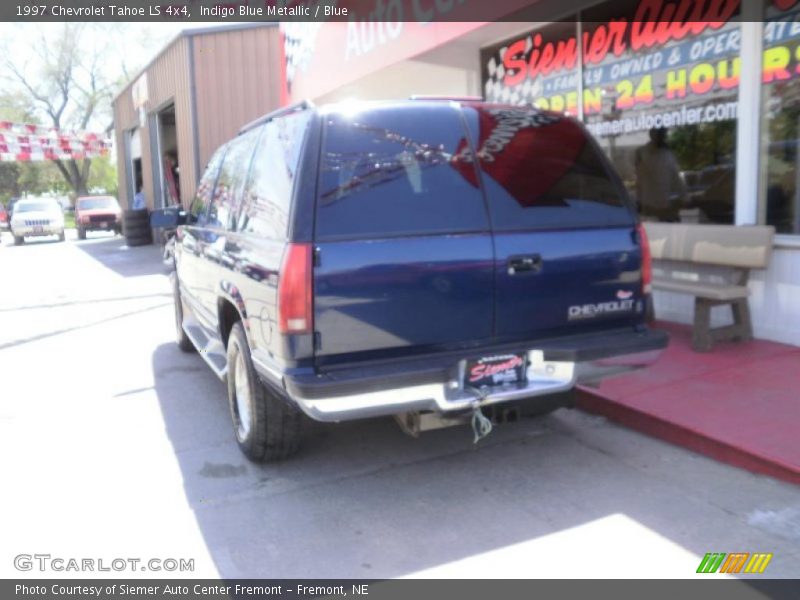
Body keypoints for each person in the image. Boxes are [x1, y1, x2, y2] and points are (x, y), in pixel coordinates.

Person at [635, 127, 688, 222]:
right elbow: (637, 180)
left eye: (663, 134)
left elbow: (676, 179)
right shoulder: (641, 154)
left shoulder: (667, 154)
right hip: (649, 209)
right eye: (661, 134)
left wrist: (684, 198)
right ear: (652, 135)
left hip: (662, 208)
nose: (663, 137)